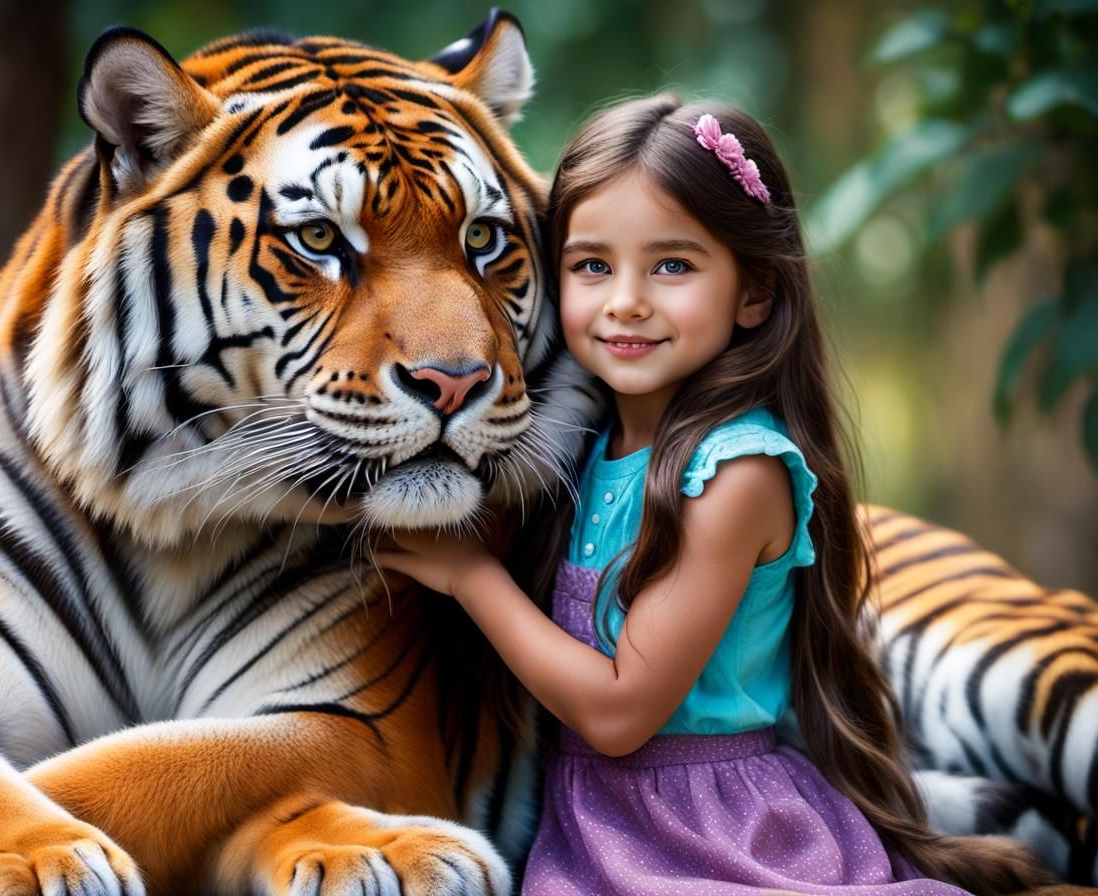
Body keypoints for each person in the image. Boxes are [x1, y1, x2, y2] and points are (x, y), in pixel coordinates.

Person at [374, 95, 1046, 895]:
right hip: (596, 832)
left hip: (713, 839)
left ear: (754, 292)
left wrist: (468, 577)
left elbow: (621, 714)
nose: (625, 299)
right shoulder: (578, 451)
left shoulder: (736, 473)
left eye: (672, 265)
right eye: (593, 265)